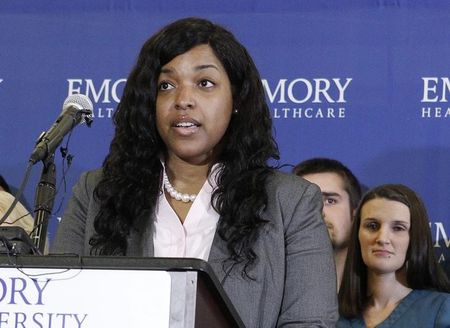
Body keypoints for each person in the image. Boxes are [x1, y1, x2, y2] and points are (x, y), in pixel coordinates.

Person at [51, 17, 338, 327]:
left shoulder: (290, 202)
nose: (183, 100)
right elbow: (65, 310)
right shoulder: (96, 193)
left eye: (204, 84)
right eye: (166, 85)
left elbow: (310, 322)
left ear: (237, 99)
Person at [337, 184, 450, 327]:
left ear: (415, 238)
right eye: (372, 226)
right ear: (357, 234)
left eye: (398, 228)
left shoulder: (440, 310)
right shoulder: (331, 313)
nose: (382, 238)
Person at [293, 158, 362, 290]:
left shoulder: (378, 302)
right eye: (305, 202)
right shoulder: (269, 295)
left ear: (355, 213)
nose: (318, 211)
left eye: (330, 201)